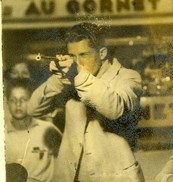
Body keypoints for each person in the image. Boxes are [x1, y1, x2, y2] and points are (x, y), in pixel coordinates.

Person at [27, 22, 144, 181]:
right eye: (72, 56)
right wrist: (58, 80)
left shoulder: (128, 77)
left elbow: (115, 108)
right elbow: (33, 109)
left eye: (83, 55)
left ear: (102, 53)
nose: (77, 62)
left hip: (115, 175)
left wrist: (78, 76)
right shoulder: (72, 78)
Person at [5, 79, 62, 182]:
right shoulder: (3, 135)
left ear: (31, 100)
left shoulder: (48, 130)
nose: (18, 104)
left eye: (23, 99)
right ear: (7, 102)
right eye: (13, 100)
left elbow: (66, 165)